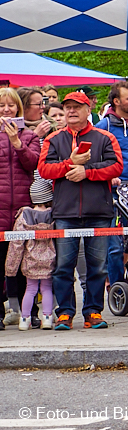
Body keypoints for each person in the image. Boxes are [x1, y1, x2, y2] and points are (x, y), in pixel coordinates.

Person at [39, 92, 123, 331]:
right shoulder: (53, 139)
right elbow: (44, 169)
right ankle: (64, 313)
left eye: (77, 107)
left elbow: (117, 166)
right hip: (65, 212)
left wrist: (87, 172)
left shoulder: (105, 137)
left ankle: (93, 312)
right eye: (68, 107)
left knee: (98, 265)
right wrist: (70, 163)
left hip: (99, 211)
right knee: (63, 265)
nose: (71, 111)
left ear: (89, 110)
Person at [0, 87, 42, 328]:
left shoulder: (29, 136)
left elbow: (32, 164)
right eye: (2, 105)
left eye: (11, 105)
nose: (6, 109)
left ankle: (29, 311)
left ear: (18, 108)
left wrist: (16, 141)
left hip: (22, 209)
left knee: (26, 264)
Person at [5, 173, 53, 331]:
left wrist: (11, 268)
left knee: (30, 289)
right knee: (46, 288)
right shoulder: (53, 215)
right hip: (49, 259)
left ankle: (24, 319)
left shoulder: (24, 215)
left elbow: (16, 243)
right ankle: (47, 318)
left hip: (30, 259)